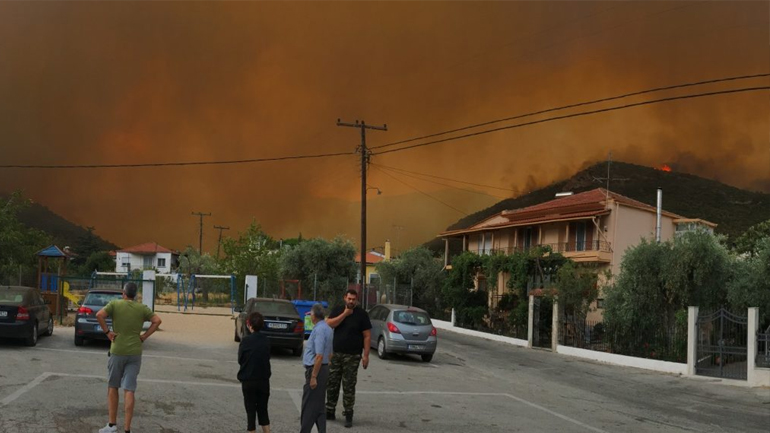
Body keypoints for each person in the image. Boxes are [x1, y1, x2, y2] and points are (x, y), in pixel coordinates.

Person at [96, 282, 162, 433]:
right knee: (129, 389)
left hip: (117, 350)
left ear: (123, 293)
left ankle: (112, 425)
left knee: (113, 386)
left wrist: (108, 332)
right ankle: (127, 429)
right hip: (135, 353)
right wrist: (144, 336)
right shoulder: (142, 308)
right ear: (136, 295)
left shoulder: (115, 304)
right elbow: (157, 321)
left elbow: (99, 315)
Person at [325, 289, 372, 428]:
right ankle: (330, 410)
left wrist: (366, 355)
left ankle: (348, 414)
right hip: (336, 354)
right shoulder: (339, 309)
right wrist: (345, 314)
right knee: (332, 383)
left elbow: (367, 336)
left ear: (356, 300)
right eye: (349, 299)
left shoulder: (362, 314)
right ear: (345, 298)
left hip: (352, 356)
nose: (351, 301)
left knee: (349, 386)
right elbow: (329, 323)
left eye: (354, 299)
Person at [300, 303, 333, 433]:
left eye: (311, 314)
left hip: (316, 369)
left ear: (314, 316)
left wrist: (314, 376)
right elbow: (330, 354)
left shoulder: (319, 330)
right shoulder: (328, 328)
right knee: (319, 407)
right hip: (323, 368)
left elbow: (319, 355)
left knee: (308, 406)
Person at [238, 311, 272, 433]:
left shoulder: (245, 341)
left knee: (251, 411)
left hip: (249, 379)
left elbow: (240, 359)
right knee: (263, 410)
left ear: (249, 325)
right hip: (263, 380)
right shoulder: (266, 341)